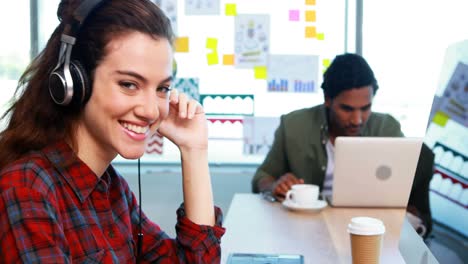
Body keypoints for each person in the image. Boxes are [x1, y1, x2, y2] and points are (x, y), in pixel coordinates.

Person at [0, 0, 225, 263]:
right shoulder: (27, 190)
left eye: (162, 88)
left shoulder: (111, 188)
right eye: (129, 84)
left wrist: (194, 150)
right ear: (75, 82)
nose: (151, 111)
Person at [251, 53, 433, 238]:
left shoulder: (387, 127)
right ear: (328, 99)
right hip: (306, 227)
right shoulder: (294, 125)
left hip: (368, 227)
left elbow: (404, 179)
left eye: (365, 108)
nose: (357, 120)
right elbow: (262, 177)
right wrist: (274, 185)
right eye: (347, 109)